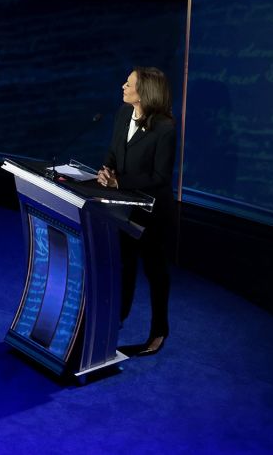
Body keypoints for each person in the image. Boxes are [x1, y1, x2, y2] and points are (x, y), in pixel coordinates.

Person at [96, 67, 176, 357]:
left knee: (155, 272)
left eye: (128, 84)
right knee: (124, 264)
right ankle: (118, 316)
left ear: (144, 93)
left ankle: (158, 332)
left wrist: (120, 182)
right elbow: (115, 151)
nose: (123, 86)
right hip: (124, 207)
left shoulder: (165, 128)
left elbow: (160, 176)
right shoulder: (122, 115)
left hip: (154, 213)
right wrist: (106, 171)